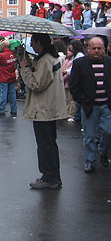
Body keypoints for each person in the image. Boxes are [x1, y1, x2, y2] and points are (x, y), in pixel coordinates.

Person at [19, 33, 67, 189]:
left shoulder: (46, 60)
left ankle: (49, 177)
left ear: (39, 42)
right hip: (48, 108)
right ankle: (53, 175)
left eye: (33, 42)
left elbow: (37, 84)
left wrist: (25, 69)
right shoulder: (48, 58)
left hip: (43, 109)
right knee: (49, 143)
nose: (31, 45)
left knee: (45, 144)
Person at [69, 37, 111, 173]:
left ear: (104, 49)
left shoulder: (109, 62)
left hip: (106, 105)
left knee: (108, 132)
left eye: (99, 48)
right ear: (89, 49)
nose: (97, 51)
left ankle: (103, 152)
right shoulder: (80, 63)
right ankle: (90, 162)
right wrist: (82, 100)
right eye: (94, 48)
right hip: (89, 106)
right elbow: (74, 85)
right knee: (89, 136)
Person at [0, 40, 18, 117]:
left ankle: (1, 109)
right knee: (12, 93)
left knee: (3, 93)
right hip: (12, 76)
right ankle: (14, 109)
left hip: (4, 76)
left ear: (2, 46)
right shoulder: (13, 54)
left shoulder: (1, 55)